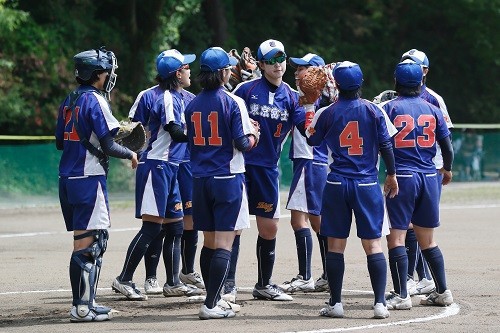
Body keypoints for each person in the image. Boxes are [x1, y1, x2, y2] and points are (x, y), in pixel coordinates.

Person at [306, 61, 399, 319]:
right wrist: (391, 175)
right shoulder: (374, 110)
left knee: (335, 245)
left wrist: (308, 110)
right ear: (361, 83)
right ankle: (380, 304)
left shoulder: (327, 112)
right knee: (373, 245)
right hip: (367, 184)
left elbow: (312, 139)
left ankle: (336, 303)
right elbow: (386, 146)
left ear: (335, 84)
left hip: (336, 183)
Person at [55, 47, 139, 322]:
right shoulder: (96, 100)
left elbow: (60, 141)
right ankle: (81, 308)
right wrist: (130, 152)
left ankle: (88, 302)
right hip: (88, 178)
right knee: (90, 244)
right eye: (107, 71)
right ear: (98, 74)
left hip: (68, 178)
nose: (110, 75)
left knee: (88, 240)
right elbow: (109, 144)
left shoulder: (69, 100)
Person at [112, 49, 202, 300]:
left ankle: (173, 283)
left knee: (175, 227)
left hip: (170, 167)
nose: (189, 70)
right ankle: (124, 278)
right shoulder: (166, 97)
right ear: (176, 73)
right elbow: (174, 132)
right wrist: (202, 137)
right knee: (152, 228)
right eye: (185, 67)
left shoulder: (167, 95)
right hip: (157, 167)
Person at [184, 46, 259, 319]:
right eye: (227, 68)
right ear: (223, 73)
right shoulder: (232, 102)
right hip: (227, 178)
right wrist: (255, 136)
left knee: (210, 242)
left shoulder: (191, 104)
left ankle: (212, 298)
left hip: (200, 178)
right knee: (225, 243)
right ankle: (212, 304)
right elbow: (242, 143)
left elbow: (189, 141)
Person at [232, 39, 308, 301]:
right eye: (271, 60)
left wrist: (314, 105)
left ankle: (263, 284)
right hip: (240, 166)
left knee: (269, 228)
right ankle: (228, 284)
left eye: (282, 58)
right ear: (262, 64)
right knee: (234, 225)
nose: (278, 65)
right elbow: (227, 113)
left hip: (267, 168)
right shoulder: (246, 89)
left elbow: (307, 130)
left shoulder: (290, 96)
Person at [382, 60, 454, 309]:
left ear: (396, 82)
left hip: (402, 177)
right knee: (428, 240)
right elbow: (447, 147)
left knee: (397, 238)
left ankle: (402, 294)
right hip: (428, 177)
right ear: (421, 81)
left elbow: (382, 143)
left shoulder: (390, 108)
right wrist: (447, 170)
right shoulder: (432, 108)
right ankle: (443, 290)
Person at [400, 49, 454, 296]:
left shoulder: (434, 99)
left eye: (416, 65)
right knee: (412, 226)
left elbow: (446, 137)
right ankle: (419, 277)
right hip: (413, 167)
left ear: (425, 70)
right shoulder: (397, 98)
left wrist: (444, 168)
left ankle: (419, 277)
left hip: (429, 167)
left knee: (416, 226)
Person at [278, 53, 331, 293]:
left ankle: (309, 275)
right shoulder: (304, 97)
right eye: (297, 68)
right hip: (307, 162)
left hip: (311, 161)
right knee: (307, 220)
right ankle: (324, 273)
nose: (297, 71)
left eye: (303, 68)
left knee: (310, 221)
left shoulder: (315, 100)